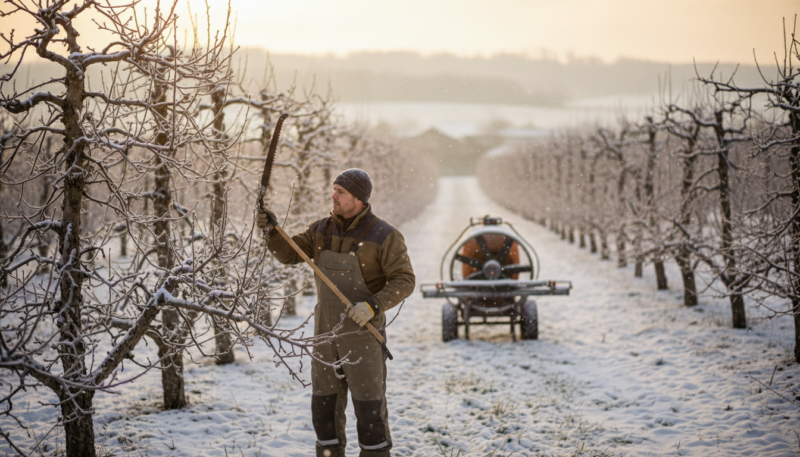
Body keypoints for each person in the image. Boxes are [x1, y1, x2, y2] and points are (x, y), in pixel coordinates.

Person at [256, 168, 415, 457]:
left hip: (363, 337)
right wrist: (271, 231)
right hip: (325, 337)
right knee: (324, 412)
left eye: (340, 192)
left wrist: (372, 306)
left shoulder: (385, 235)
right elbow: (290, 253)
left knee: (370, 414)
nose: (333, 196)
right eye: (334, 190)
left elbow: (405, 280)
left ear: (358, 199)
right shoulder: (320, 230)